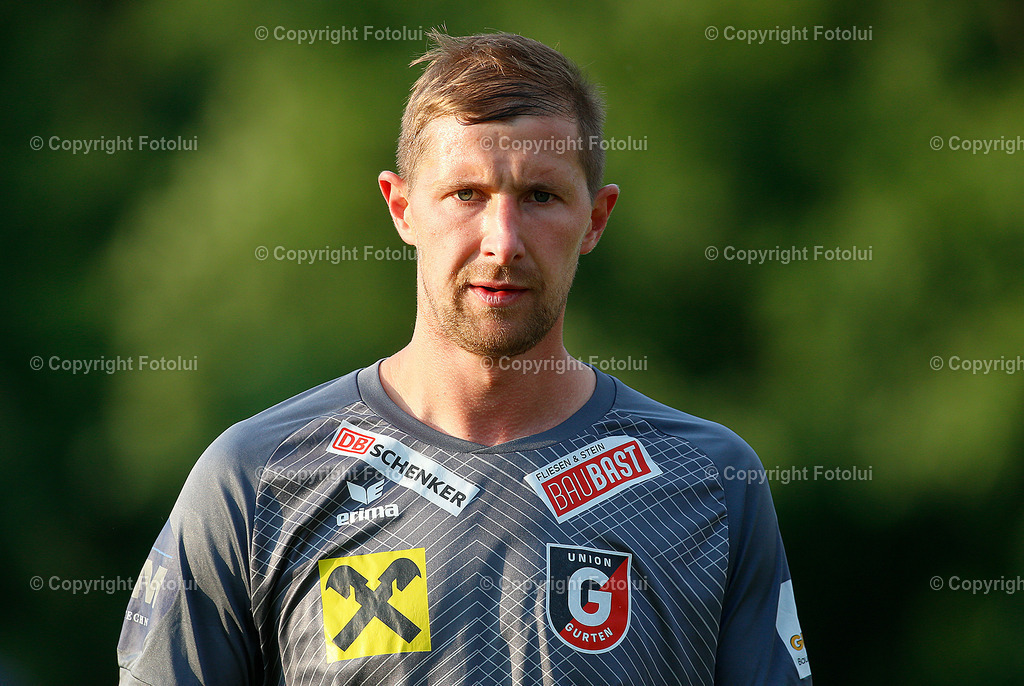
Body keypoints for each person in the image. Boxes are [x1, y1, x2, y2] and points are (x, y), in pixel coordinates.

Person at [118, 29, 812, 685]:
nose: (502, 240)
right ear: (402, 207)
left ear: (596, 219)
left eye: (541, 196)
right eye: (466, 195)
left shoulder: (711, 482)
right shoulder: (255, 480)